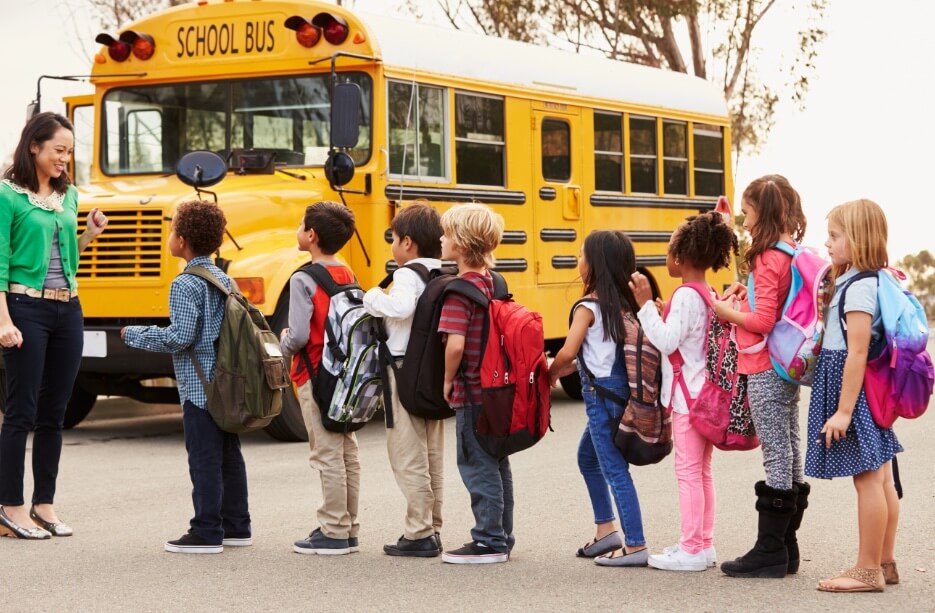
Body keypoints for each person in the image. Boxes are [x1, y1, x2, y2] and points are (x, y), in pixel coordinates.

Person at [0, 112, 107, 540]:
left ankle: (44, 504)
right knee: (20, 413)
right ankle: (10, 507)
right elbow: (1, 263)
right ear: (34, 147)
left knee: (54, 414)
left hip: (69, 309)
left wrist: (89, 236)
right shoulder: (7, 196)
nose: (65, 159)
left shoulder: (70, 197)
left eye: (69, 152)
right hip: (25, 309)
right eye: (58, 150)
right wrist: (3, 319)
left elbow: (68, 261)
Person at [121, 200, 250, 554]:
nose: (170, 234)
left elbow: (180, 337)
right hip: (227, 382)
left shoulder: (185, 283)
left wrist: (135, 334)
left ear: (182, 240)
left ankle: (206, 530)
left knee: (204, 458)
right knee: (229, 454)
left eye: (172, 228)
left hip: (199, 386)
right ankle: (238, 525)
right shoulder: (225, 279)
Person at [711, 174, 810, 578]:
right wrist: (744, 290)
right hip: (786, 365)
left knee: (776, 452)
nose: (744, 220)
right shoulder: (789, 251)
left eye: (748, 212)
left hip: (765, 365)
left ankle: (770, 549)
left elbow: (763, 320)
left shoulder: (768, 257)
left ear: (762, 211)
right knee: (788, 446)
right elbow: (769, 302)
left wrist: (723, 310)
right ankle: (787, 545)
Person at [630, 212, 738, 571]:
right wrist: (662, 313)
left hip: (686, 398)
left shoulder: (684, 294)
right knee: (702, 471)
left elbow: (667, 340)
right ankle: (703, 544)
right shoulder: (707, 292)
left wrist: (646, 305)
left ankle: (691, 548)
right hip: (704, 394)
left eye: (668, 250)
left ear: (680, 257)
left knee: (688, 472)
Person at [808, 199, 902, 593]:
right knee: (880, 478)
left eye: (834, 235)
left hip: (855, 392)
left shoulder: (861, 286)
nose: (827, 243)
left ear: (858, 238)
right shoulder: (867, 278)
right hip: (866, 390)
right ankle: (884, 561)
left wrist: (844, 411)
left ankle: (867, 570)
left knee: (867, 479)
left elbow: (857, 350)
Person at [548, 230, 650, 567]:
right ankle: (606, 531)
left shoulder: (587, 306)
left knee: (614, 469)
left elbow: (567, 352)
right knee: (588, 458)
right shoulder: (625, 306)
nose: (578, 261)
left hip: (601, 397)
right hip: (621, 393)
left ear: (595, 265)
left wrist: (550, 374)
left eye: (581, 255)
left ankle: (635, 545)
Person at [363, 201, 445, 557]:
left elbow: (399, 308)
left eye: (393, 239)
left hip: (402, 370)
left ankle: (418, 532)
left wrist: (371, 297)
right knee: (432, 453)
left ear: (408, 243)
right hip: (432, 371)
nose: (393, 247)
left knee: (406, 453)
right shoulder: (441, 272)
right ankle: (433, 525)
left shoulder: (406, 275)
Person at [281, 201, 360, 556]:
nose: (298, 229)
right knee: (347, 452)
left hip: (314, 372)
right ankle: (348, 524)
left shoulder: (303, 278)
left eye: (301, 225)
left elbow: (298, 335)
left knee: (326, 453)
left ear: (311, 235)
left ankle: (334, 530)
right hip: (344, 375)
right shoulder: (347, 273)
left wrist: (280, 340)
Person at [436, 203, 511, 564]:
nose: (441, 239)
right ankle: (503, 534)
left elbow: (456, 345)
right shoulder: (496, 283)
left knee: (476, 464)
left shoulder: (458, 291)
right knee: (497, 463)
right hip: (499, 391)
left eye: (447, 234)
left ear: (462, 245)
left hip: (472, 391)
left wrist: (447, 381)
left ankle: (488, 540)